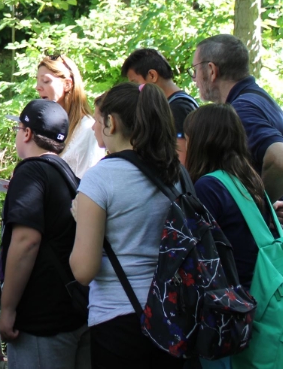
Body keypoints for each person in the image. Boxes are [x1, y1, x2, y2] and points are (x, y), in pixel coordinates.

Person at [69, 83, 185, 369]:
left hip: (118, 318)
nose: (93, 127)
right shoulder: (174, 172)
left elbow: (83, 271)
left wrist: (81, 220)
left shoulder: (100, 178)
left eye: (98, 120)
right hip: (171, 312)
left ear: (112, 123)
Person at [190, 34, 283, 271]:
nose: (194, 79)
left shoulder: (242, 109)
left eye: (195, 70)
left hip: (270, 249)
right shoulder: (260, 99)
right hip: (281, 243)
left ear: (211, 70)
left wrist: (259, 209)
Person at [0, 99, 90, 369]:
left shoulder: (31, 172)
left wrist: (7, 309)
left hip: (41, 323)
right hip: (75, 314)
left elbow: (26, 241)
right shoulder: (69, 175)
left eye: (18, 128)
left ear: (27, 133)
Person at [185, 104, 279, 293]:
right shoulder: (248, 179)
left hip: (233, 297)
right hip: (260, 289)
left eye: (186, 139)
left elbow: (198, 253)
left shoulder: (208, 187)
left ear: (200, 142)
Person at [121, 48, 199, 166]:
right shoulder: (181, 103)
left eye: (135, 83)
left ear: (152, 75)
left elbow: (182, 161)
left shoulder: (177, 108)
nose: (136, 90)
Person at [35, 54, 105, 178]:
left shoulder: (89, 129)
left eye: (45, 81)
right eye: (37, 81)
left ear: (67, 84)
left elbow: (90, 180)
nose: (37, 87)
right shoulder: (45, 126)